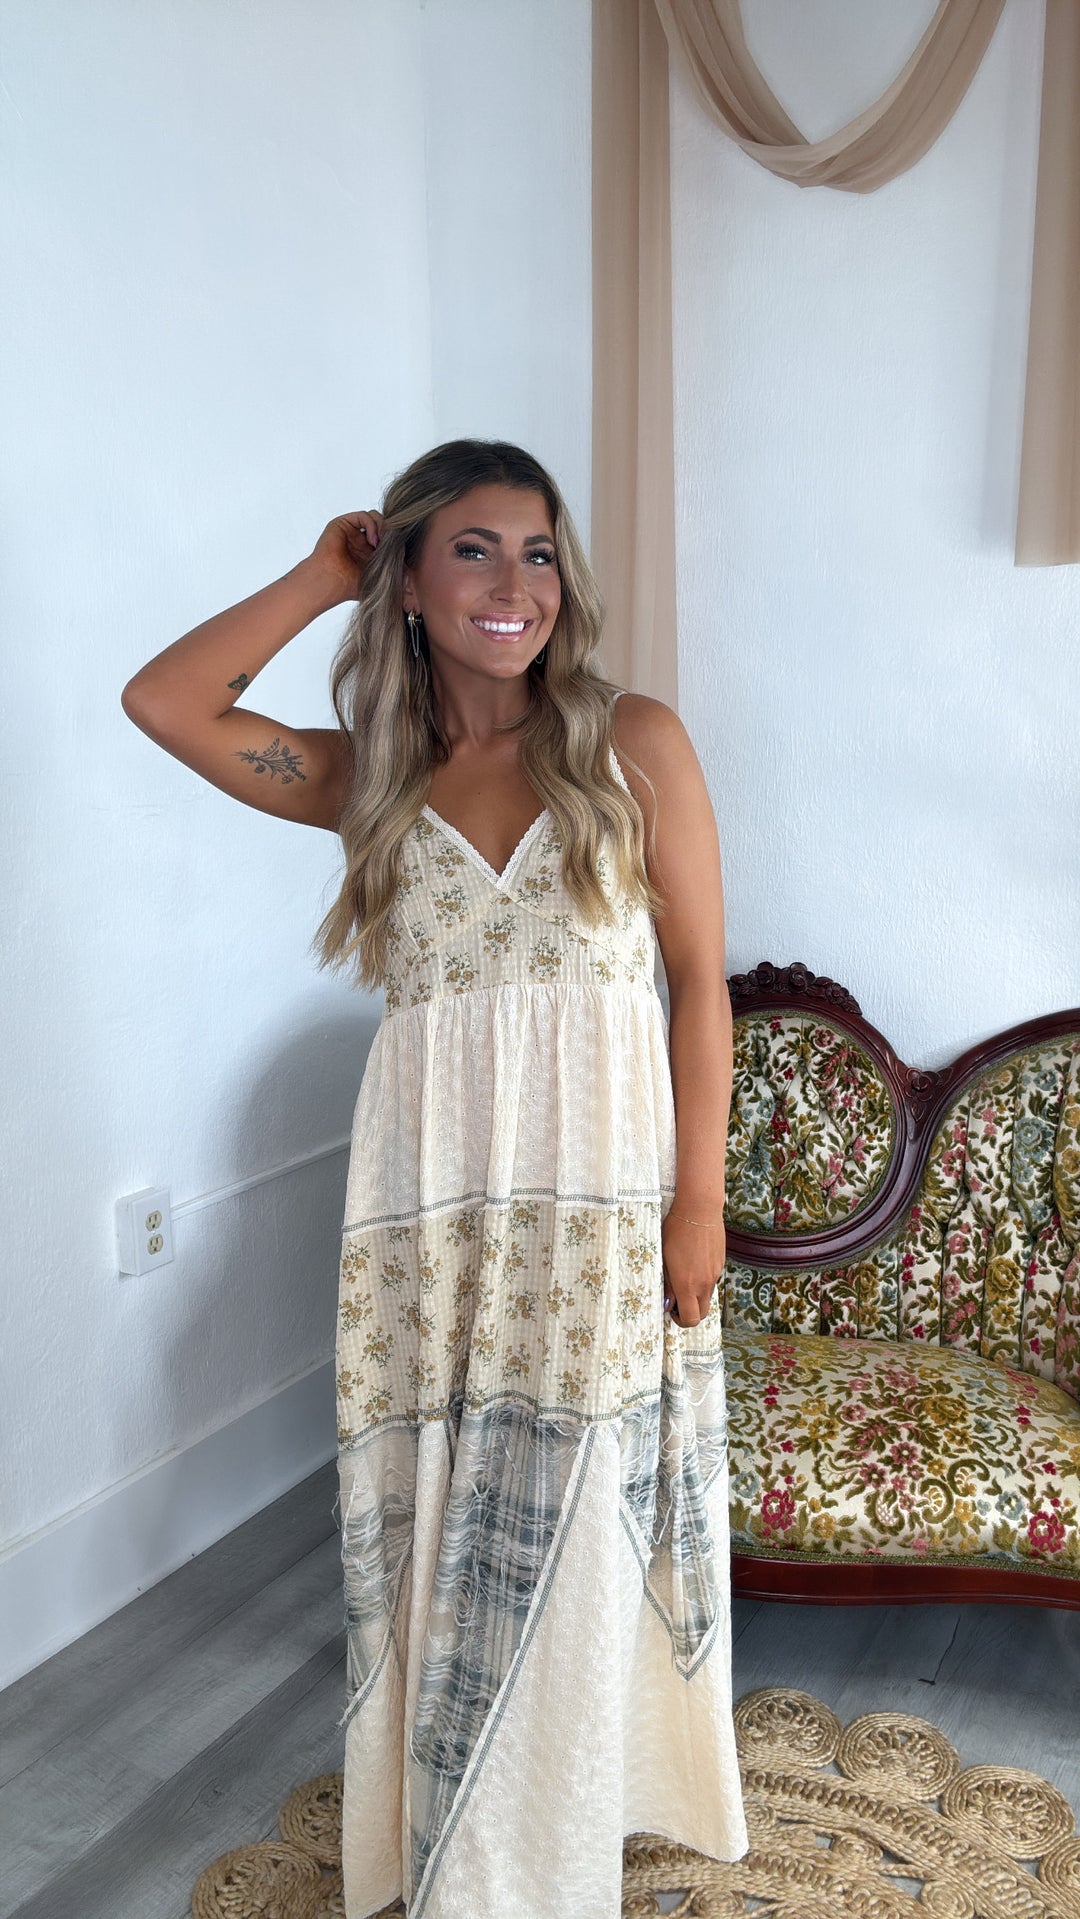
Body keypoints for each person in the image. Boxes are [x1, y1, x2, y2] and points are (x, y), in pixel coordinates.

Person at [121, 438, 748, 1919]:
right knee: (441, 1511)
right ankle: (466, 1833)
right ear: (409, 578)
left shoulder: (634, 744)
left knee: (577, 1514)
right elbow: (167, 703)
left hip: (601, 1209)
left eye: (538, 553)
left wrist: (699, 1202)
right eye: (473, 548)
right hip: (428, 1219)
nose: (515, 583)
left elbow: (700, 987)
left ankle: (555, 1838)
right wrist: (318, 574)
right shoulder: (370, 782)